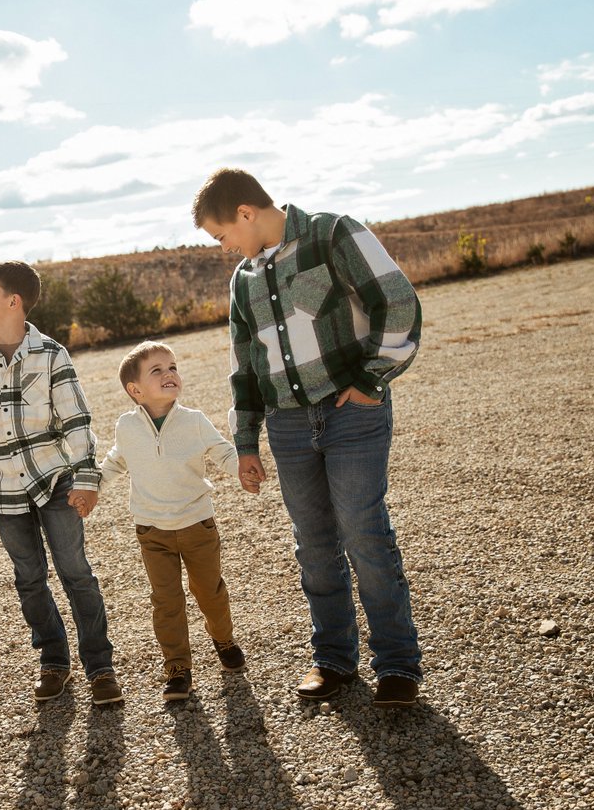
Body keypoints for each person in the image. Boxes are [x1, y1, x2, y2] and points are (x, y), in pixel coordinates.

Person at [192, 167, 424, 708]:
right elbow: (244, 365)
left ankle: (397, 666)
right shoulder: (244, 280)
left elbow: (399, 302)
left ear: (246, 213)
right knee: (314, 545)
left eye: (223, 235)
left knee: (364, 533)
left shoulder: (334, 233)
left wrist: (372, 379)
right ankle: (334, 661)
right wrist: (245, 441)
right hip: (289, 425)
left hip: (352, 414)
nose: (225, 248)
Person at [0, 261, 122, 706]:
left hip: (55, 481)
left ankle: (100, 668)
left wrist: (86, 478)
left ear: (14, 301)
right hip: (4, 490)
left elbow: (76, 420)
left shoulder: (51, 354)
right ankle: (53, 662)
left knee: (76, 573)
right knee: (29, 578)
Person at [100, 340, 247, 702]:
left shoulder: (194, 421)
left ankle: (223, 638)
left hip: (197, 524)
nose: (170, 374)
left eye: (173, 367)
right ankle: (178, 668)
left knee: (209, 591)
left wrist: (243, 468)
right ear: (135, 390)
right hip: (152, 530)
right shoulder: (127, 426)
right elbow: (116, 460)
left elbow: (222, 449)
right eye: (158, 370)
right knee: (166, 600)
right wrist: (91, 486)